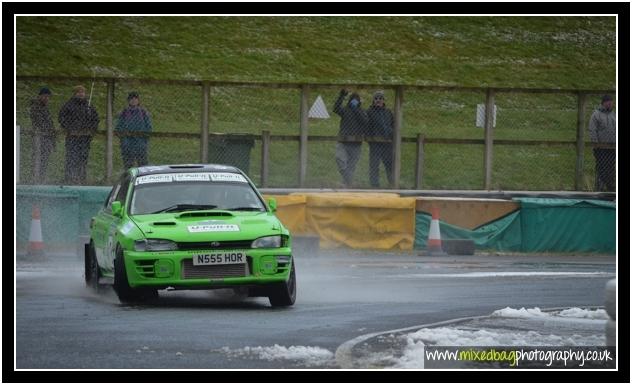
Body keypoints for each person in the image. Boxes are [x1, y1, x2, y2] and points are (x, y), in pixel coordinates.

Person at [58, 85, 100, 185]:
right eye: (79, 92)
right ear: (75, 93)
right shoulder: (68, 105)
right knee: (71, 157)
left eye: (83, 92)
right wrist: (69, 127)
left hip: (85, 138)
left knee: (83, 158)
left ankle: (82, 178)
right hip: (72, 137)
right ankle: (70, 178)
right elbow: (61, 118)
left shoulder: (89, 106)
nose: (81, 94)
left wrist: (91, 128)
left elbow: (96, 119)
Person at [333, 89, 368, 188]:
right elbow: (335, 108)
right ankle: (350, 182)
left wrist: (356, 109)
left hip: (356, 143)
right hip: (343, 141)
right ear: (349, 100)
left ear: (359, 102)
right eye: (352, 99)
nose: (354, 101)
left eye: (356, 100)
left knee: (351, 166)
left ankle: (346, 184)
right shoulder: (345, 110)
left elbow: (365, 121)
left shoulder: (361, 111)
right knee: (340, 160)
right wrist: (342, 96)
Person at [115, 91, 153, 170]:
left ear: (138, 100)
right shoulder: (124, 112)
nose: (133, 100)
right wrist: (123, 139)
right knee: (128, 166)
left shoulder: (143, 112)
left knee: (143, 165)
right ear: (128, 101)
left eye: (135, 99)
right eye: (131, 99)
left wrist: (144, 138)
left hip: (141, 144)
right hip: (127, 144)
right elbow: (118, 127)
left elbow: (149, 126)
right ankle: (128, 181)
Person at [366, 90, 394, 188]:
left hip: (388, 143)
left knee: (390, 164)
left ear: (383, 100)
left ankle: (392, 183)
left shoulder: (388, 112)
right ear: (373, 100)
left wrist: (391, 133)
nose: (378, 100)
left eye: (380, 98)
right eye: (376, 98)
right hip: (375, 143)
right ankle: (374, 185)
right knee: (374, 165)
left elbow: (393, 124)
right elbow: (366, 127)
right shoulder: (369, 111)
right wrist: (370, 139)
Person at [588, 94, 616, 191]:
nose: (610, 103)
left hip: (613, 148)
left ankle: (611, 188)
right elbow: (592, 130)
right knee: (601, 168)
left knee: (611, 168)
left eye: (611, 101)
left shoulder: (614, 114)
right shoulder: (596, 114)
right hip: (601, 148)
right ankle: (600, 188)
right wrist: (596, 144)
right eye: (608, 101)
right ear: (603, 103)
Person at [29, 87, 57, 182]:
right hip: (40, 137)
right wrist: (47, 129)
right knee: (38, 158)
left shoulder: (45, 108)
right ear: (40, 96)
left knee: (44, 159)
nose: (47, 98)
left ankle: (42, 177)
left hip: (47, 137)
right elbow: (39, 121)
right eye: (45, 96)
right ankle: (36, 177)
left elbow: (49, 122)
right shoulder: (35, 107)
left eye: (48, 97)